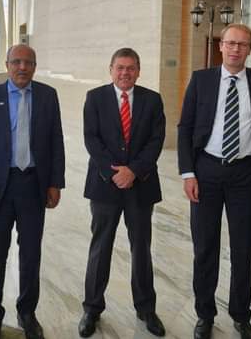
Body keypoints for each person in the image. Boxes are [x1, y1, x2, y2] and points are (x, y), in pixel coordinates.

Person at [177, 23, 251, 339]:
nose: (235, 49)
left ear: (250, 49)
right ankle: (204, 314)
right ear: (221, 46)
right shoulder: (201, 79)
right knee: (205, 247)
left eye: (242, 44)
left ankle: (241, 315)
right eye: (231, 43)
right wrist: (188, 173)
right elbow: (185, 127)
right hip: (206, 171)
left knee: (243, 249)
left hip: (245, 174)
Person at [0, 44, 65, 339]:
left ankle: (27, 313)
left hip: (33, 185)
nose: (22, 67)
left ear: (35, 66)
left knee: (31, 254)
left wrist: (55, 183)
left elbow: (56, 141)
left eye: (28, 62)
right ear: (7, 64)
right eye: (17, 62)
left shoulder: (48, 96)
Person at [78, 48, 166, 338]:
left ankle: (146, 309)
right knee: (100, 247)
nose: (125, 73)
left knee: (141, 248)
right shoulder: (95, 98)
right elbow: (91, 139)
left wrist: (133, 171)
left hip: (141, 185)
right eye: (120, 67)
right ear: (111, 69)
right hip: (105, 185)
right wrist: (114, 172)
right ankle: (92, 309)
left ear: (138, 71)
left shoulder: (152, 100)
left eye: (130, 68)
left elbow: (156, 140)